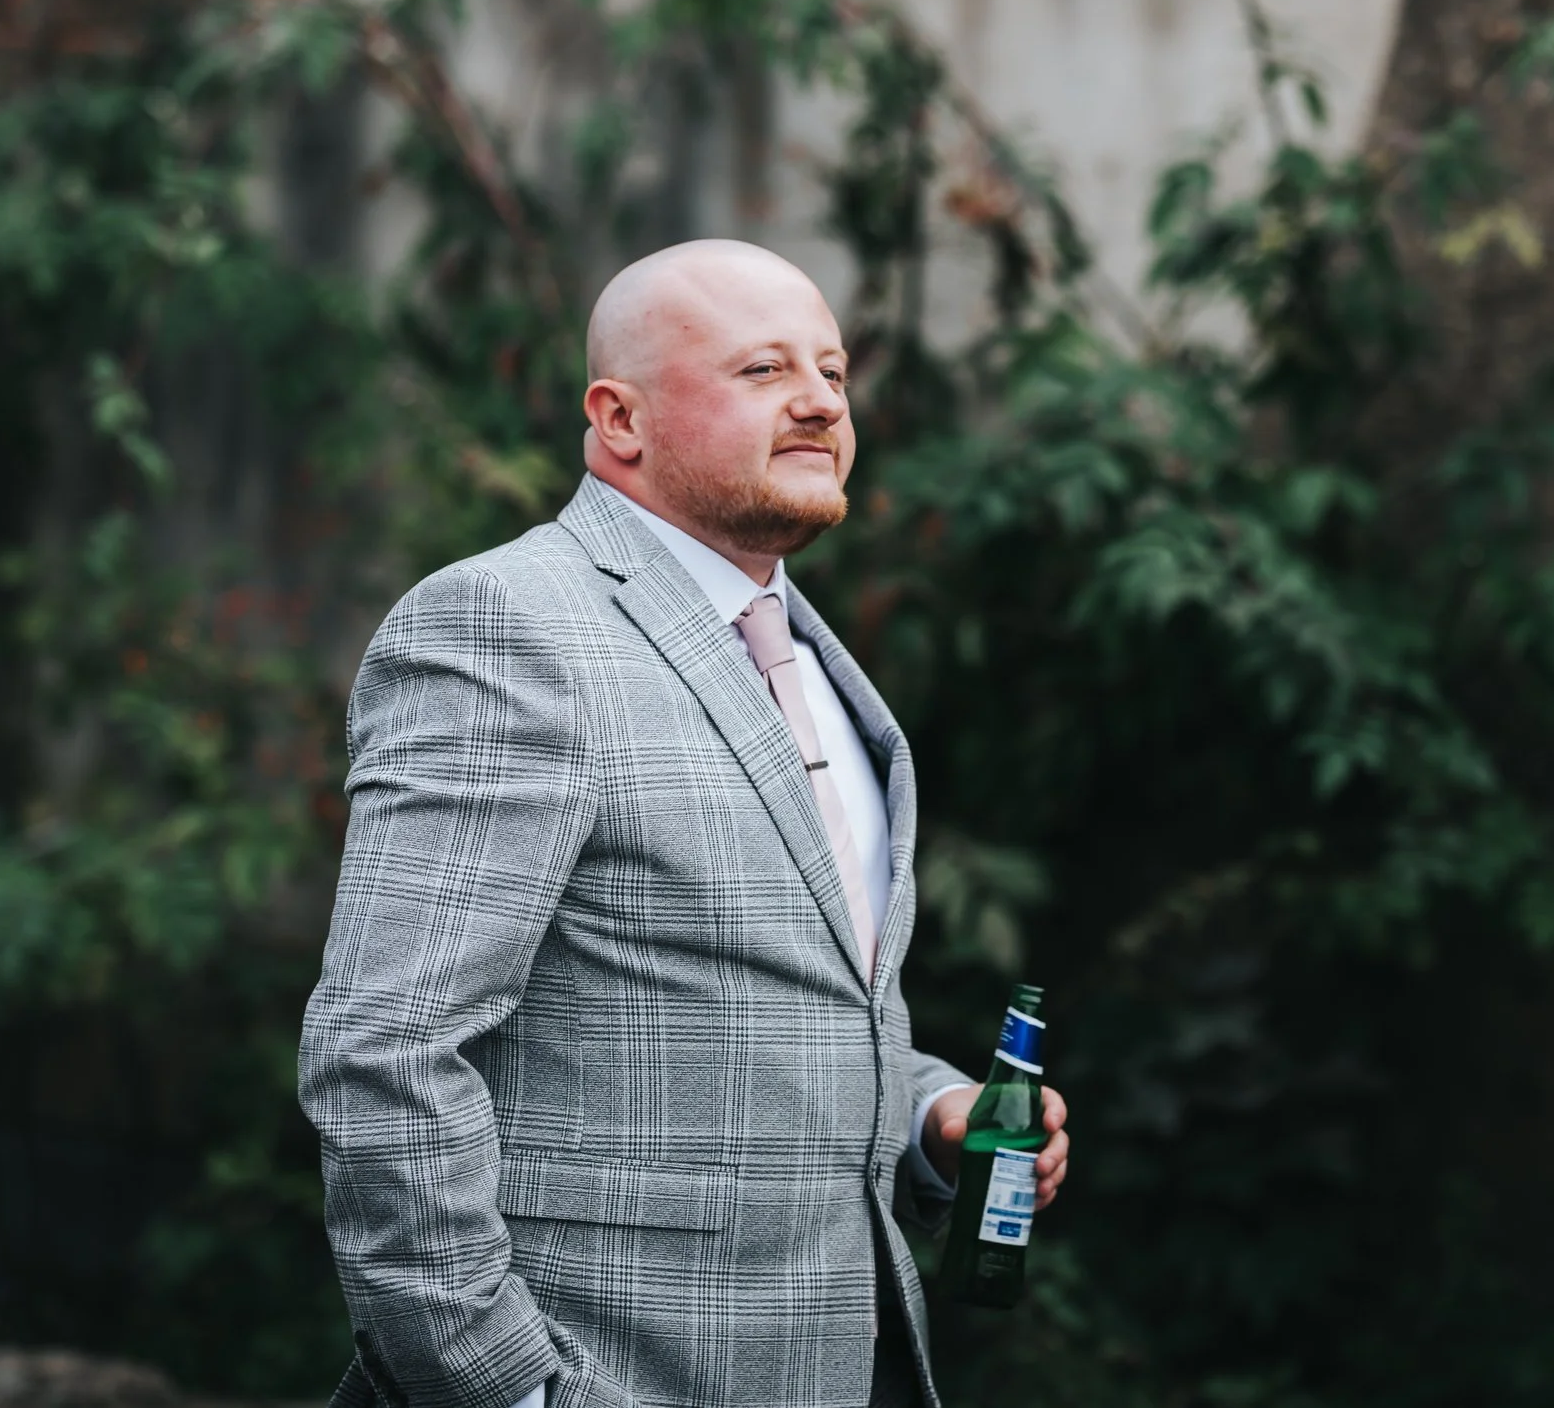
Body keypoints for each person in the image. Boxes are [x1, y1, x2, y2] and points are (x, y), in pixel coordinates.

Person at [298, 240, 1071, 1408]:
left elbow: (748, 999)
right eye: (763, 369)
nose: (819, 399)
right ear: (621, 419)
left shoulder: (808, 655)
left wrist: (927, 1112)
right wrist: (511, 1391)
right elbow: (386, 1052)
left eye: (833, 371)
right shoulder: (505, 629)